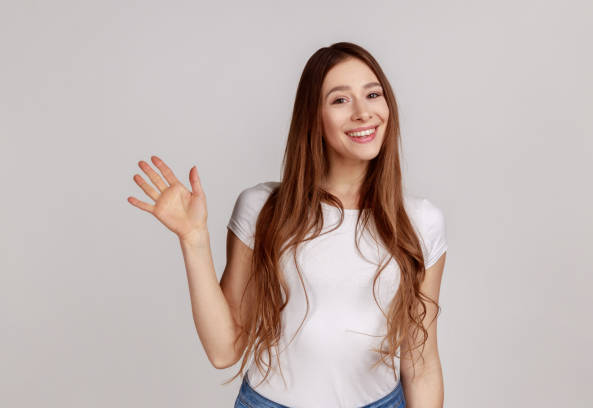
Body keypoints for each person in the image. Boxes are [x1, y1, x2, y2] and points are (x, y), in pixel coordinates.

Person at [127, 41, 448, 408]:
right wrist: (193, 238)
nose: (363, 112)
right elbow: (224, 350)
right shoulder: (262, 209)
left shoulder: (421, 222)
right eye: (340, 100)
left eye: (372, 94)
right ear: (313, 117)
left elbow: (421, 364)